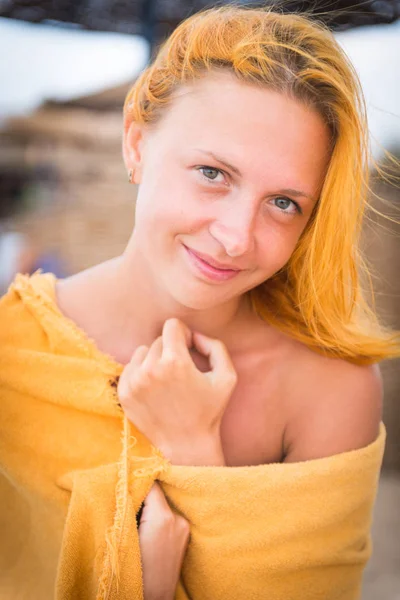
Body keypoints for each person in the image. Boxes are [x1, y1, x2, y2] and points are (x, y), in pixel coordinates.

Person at [0, 4, 399, 600]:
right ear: (136, 143)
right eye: (213, 173)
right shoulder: (12, 352)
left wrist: (193, 454)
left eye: (284, 203)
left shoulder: (329, 388)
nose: (237, 236)